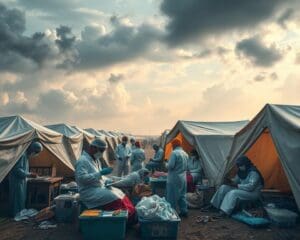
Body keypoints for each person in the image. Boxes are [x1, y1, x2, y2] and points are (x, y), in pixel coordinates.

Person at [75, 139, 136, 223]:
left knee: (120, 193)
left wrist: (111, 180)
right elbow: (81, 179)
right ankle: (126, 220)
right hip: (89, 191)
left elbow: (100, 177)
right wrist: (100, 173)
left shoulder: (95, 160)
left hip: (98, 188)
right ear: (93, 148)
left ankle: (132, 215)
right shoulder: (82, 161)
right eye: (101, 151)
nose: (101, 153)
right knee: (114, 196)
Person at [9, 142, 43, 216]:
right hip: (16, 181)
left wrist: (29, 174)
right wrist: (29, 174)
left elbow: (23, 169)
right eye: (36, 152)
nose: (35, 154)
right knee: (17, 199)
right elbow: (17, 170)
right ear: (32, 149)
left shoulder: (26, 156)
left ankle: (19, 213)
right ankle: (15, 214)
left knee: (21, 199)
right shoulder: (22, 155)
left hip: (21, 181)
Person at [166, 139, 189, 217]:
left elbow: (170, 166)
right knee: (182, 196)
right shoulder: (185, 154)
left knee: (171, 196)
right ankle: (184, 211)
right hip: (183, 178)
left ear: (174, 145)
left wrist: (166, 164)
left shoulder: (174, 153)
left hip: (174, 178)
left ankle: (171, 213)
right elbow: (187, 167)